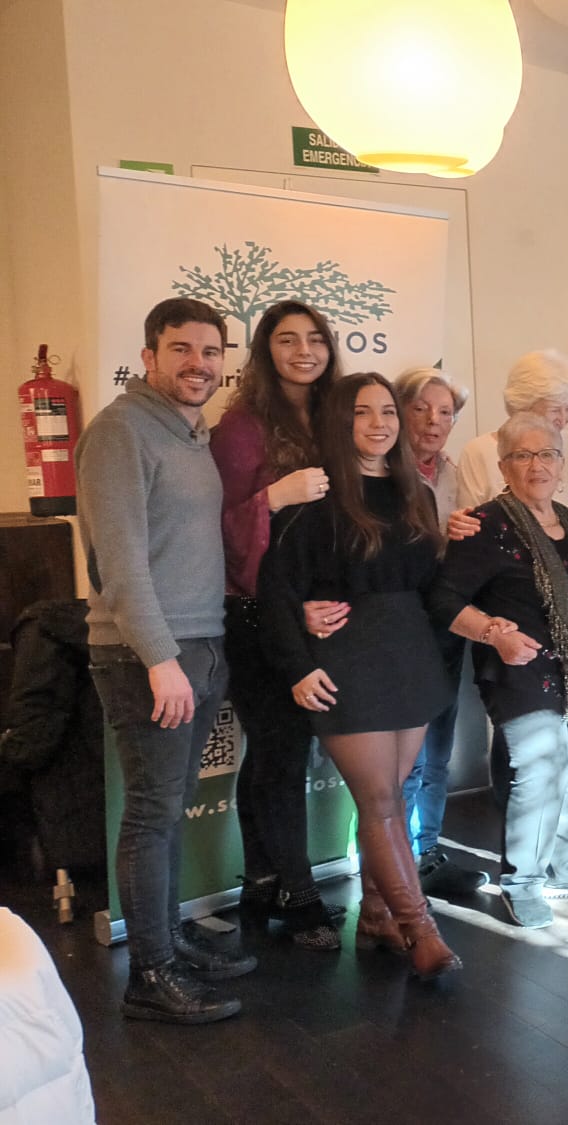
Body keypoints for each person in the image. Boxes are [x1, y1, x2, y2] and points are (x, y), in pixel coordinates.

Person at [77, 297, 254, 1023]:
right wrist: (159, 657)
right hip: (147, 652)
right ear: (149, 356)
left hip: (200, 642)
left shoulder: (187, 434)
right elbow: (117, 564)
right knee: (152, 813)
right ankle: (150, 974)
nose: (198, 364)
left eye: (210, 352)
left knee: (168, 809)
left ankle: (166, 942)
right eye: (181, 349)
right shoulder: (120, 431)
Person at [258, 373, 459, 980]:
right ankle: (420, 929)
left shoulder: (414, 493)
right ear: (339, 423)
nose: (380, 423)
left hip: (409, 658)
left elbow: (429, 584)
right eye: (363, 412)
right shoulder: (313, 496)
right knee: (378, 801)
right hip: (346, 663)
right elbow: (274, 590)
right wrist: (297, 665)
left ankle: (376, 916)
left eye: (387, 412)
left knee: (391, 800)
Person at [428, 412, 568, 929]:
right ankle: (522, 882)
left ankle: (567, 863)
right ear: (503, 465)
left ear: (562, 464)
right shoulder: (485, 526)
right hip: (520, 673)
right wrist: (495, 632)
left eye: (546, 454)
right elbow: (443, 600)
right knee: (539, 773)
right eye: (522, 455)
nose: (536, 465)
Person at [208, 299, 341, 952]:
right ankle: (299, 892)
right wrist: (274, 496)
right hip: (255, 614)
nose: (304, 350)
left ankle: (263, 873)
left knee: (273, 750)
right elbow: (215, 527)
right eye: (287, 340)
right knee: (282, 749)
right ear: (265, 351)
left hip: (317, 614)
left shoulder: (333, 419)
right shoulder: (239, 428)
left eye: (315, 338)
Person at [383, 367, 486, 896]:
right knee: (402, 757)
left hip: (447, 625)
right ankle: (390, 866)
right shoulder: (379, 473)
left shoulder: (451, 473)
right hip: (397, 631)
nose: (434, 421)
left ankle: (428, 852)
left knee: (439, 751)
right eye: (421, 408)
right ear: (398, 412)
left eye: (445, 412)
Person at [454, 349, 568, 508]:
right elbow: (468, 522)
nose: (563, 420)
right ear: (523, 406)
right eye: (554, 410)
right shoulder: (479, 451)